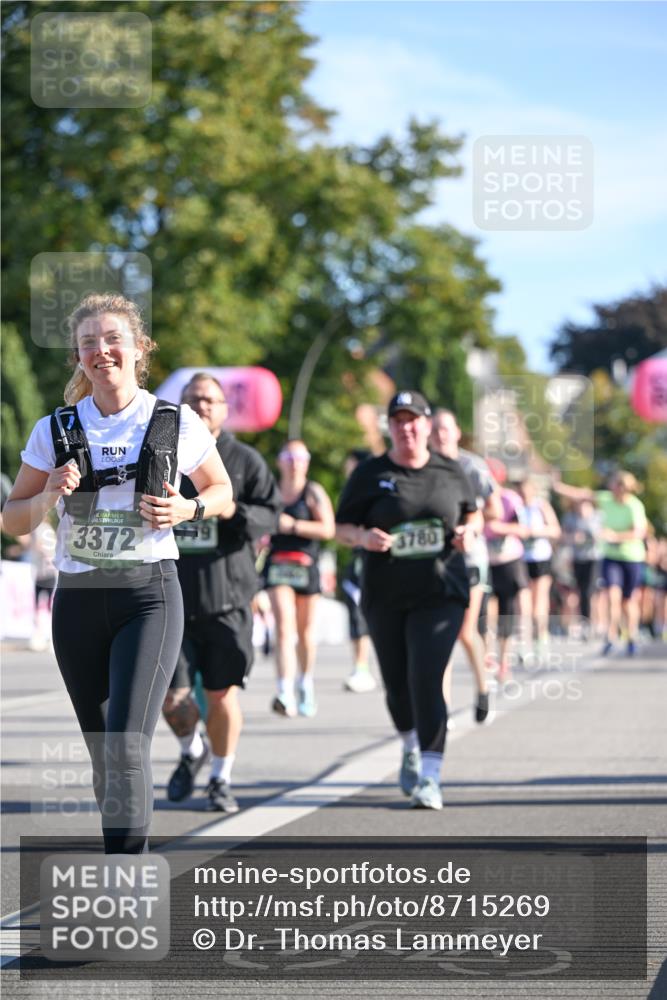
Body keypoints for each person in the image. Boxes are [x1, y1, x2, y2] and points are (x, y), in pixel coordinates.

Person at [2, 294, 233, 853]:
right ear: (78, 357)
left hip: (148, 595)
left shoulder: (173, 421)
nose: (101, 351)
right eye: (88, 343)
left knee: (127, 745)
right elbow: (12, 519)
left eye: (112, 340)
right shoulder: (55, 429)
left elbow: (222, 491)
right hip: (78, 599)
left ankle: (125, 877)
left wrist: (188, 509)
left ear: (139, 349)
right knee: (105, 754)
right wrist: (48, 495)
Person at [336, 391, 478, 811]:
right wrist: (362, 537)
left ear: (427, 425)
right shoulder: (370, 473)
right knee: (397, 686)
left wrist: (468, 531)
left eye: (413, 419)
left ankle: (431, 776)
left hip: (441, 591)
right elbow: (341, 527)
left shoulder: (451, 470)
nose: (406, 428)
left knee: (426, 677)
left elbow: (472, 512)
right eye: (397, 420)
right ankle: (410, 744)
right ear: (390, 428)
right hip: (385, 594)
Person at [161, 373, 280, 813]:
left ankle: (220, 778)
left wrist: (231, 510)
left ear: (225, 409)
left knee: (220, 695)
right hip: (169, 598)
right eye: (193, 399)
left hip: (227, 600)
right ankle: (192, 750)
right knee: (170, 698)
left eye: (210, 400)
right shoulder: (161, 455)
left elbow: (271, 515)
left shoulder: (245, 461)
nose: (202, 406)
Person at [429, 409, 502, 723]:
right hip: (436, 559)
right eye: (434, 430)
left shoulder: (471, 467)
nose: (440, 435)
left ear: (457, 432)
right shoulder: (424, 467)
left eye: (445, 429)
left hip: (469, 557)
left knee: (463, 630)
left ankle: (483, 688)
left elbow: (496, 510)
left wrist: (469, 522)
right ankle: (440, 709)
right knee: (438, 634)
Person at [264, 439, 336, 717]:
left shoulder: (313, 492)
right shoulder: (271, 491)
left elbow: (328, 529)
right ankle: (284, 691)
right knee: (284, 627)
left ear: (307, 462)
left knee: (305, 632)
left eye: (300, 458)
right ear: (280, 462)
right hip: (277, 566)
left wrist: (293, 525)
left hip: (305, 565)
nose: (295, 463)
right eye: (289, 457)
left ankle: (305, 682)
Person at [553, 471, 647, 656]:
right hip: (610, 556)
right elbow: (581, 494)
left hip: (631, 557)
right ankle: (611, 637)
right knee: (612, 596)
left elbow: (638, 532)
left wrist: (615, 536)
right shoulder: (606, 499)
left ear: (624, 488)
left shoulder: (634, 506)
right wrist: (558, 487)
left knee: (628, 601)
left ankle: (631, 636)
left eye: (616, 485)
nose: (612, 488)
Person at [485, 477, 531, 682]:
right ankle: (487, 657)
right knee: (485, 613)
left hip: (508, 561)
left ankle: (504, 663)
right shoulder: (476, 497)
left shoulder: (510, 499)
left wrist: (498, 528)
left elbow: (523, 530)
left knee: (507, 612)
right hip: (484, 562)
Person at [339, 449, 376, 693]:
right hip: (358, 560)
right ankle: (361, 667)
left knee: (368, 614)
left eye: (351, 466)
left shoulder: (373, 491)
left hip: (375, 562)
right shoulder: (351, 492)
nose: (347, 471)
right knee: (356, 613)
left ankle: (366, 667)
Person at [515, 477, 561, 649]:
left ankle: (541, 637)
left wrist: (536, 532)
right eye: (521, 493)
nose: (524, 496)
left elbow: (556, 530)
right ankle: (524, 640)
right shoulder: (516, 508)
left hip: (541, 558)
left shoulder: (541, 506)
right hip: (520, 559)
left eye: (526, 492)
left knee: (539, 601)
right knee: (523, 602)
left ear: (533, 491)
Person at [561, 498, 602, 631]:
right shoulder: (570, 518)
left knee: (589, 591)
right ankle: (577, 622)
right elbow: (563, 536)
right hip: (576, 559)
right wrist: (573, 538)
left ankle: (591, 622)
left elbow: (601, 535)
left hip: (592, 559)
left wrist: (589, 532)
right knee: (575, 591)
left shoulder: (597, 517)